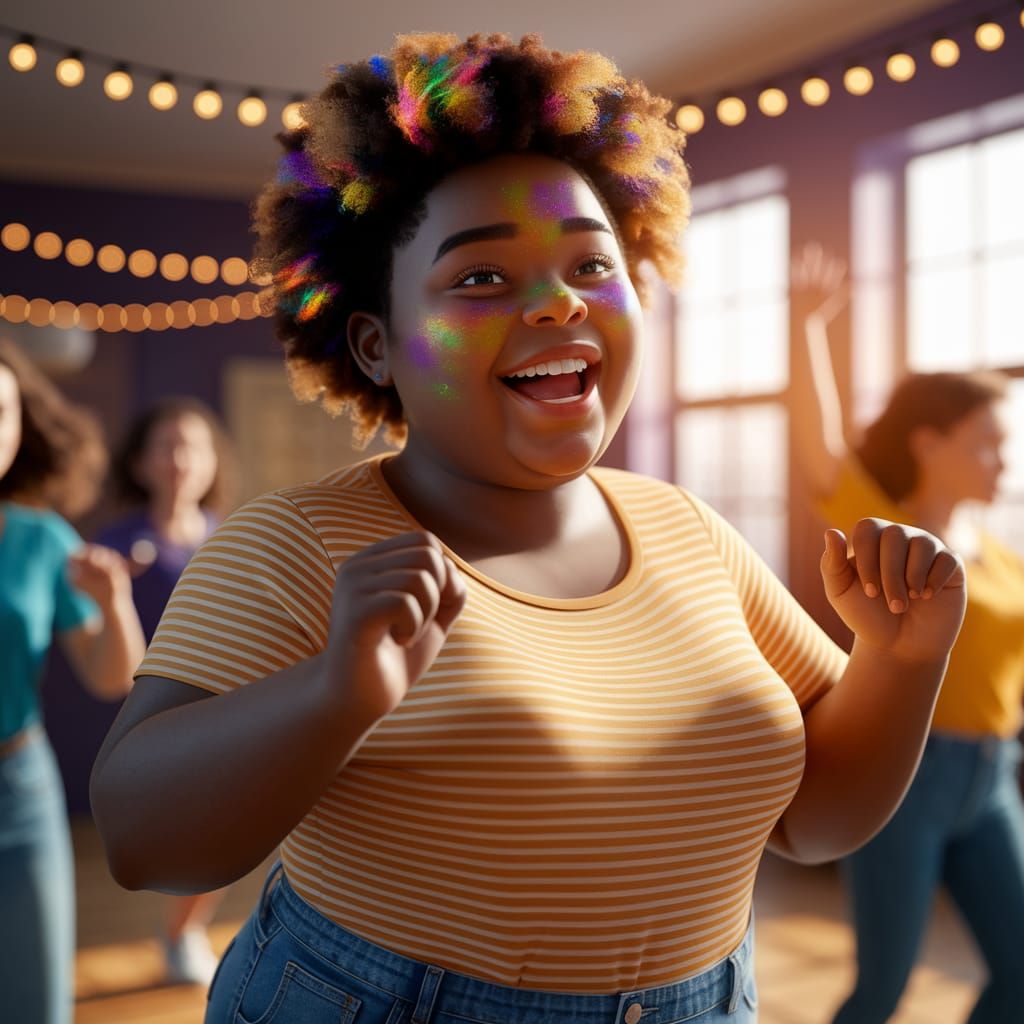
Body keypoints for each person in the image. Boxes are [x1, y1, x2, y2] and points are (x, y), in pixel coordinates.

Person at [91, 35, 967, 1024]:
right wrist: (332, 697)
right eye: (481, 280)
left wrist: (898, 662)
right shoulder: (296, 541)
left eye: (591, 264)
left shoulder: (686, 528)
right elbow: (139, 839)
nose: (556, 302)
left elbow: (814, 822)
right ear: (376, 345)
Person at [790, 244, 1024, 1023]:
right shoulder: (879, 528)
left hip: (992, 781)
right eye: (988, 443)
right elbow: (819, 443)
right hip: (907, 777)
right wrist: (807, 328)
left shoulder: (1004, 558)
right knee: (884, 989)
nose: (1003, 461)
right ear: (930, 444)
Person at [0, 338, 146, 1024]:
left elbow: (111, 675)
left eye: (1, 412)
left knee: (36, 1003)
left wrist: (115, 602)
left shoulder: (42, 538)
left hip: (18, 793)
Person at [97, 397, 238, 985]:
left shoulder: (233, 539)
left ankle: (183, 929)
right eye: (167, 446)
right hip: (146, 713)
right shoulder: (114, 547)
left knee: (230, 827)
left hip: (222, 712)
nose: (181, 461)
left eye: (194, 447)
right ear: (141, 462)